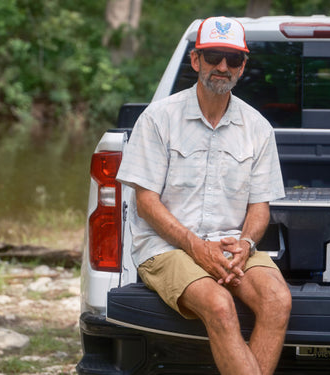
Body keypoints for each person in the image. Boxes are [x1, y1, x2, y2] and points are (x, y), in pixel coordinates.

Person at [115, 16, 291, 375]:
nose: (222, 66)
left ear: (243, 67)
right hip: (165, 248)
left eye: (233, 59)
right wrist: (196, 247)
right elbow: (146, 204)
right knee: (220, 304)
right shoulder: (158, 118)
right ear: (196, 60)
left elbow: (260, 208)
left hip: (230, 246)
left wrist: (245, 243)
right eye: (213, 56)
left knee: (277, 300)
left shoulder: (258, 128)